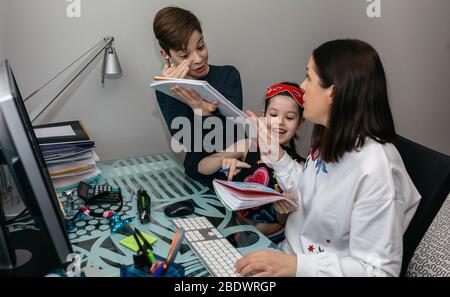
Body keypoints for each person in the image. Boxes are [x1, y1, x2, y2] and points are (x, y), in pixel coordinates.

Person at [235, 39, 421, 277]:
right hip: (286, 256)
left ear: (332, 92)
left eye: (309, 78)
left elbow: (379, 272)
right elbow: (312, 193)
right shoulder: (331, 137)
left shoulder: (375, 166)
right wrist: (277, 156)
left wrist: (295, 267)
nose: (302, 87)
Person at [198, 82, 305, 243]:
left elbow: (285, 221)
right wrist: (225, 161)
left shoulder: (300, 167)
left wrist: (282, 210)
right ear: (263, 115)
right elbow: (202, 167)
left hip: (270, 240)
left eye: (289, 117)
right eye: (274, 115)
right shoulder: (249, 145)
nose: (280, 122)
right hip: (234, 227)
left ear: (300, 123)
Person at [153, 6, 243, 188]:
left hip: (234, 172)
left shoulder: (228, 76)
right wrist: (173, 88)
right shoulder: (165, 89)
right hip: (195, 179)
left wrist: (206, 114)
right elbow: (183, 141)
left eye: (201, 47)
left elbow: (235, 130)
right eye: (185, 55)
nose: (198, 59)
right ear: (166, 55)